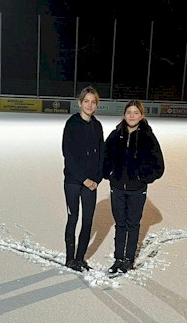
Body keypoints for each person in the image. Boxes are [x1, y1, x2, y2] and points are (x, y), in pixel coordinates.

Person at [103, 99, 165, 274]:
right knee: (120, 224)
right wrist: (109, 174)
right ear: (124, 115)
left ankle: (128, 259)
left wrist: (141, 177)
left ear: (141, 115)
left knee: (133, 224)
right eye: (129, 112)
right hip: (117, 189)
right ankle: (118, 259)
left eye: (135, 113)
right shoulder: (115, 135)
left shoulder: (148, 137)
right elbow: (105, 158)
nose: (132, 116)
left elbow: (159, 166)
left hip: (137, 189)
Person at [61, 86, 105, 271]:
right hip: (73, 181)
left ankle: (80, 258)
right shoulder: (72, 123)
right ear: (80, 103)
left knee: (88, 221)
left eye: (93, 102)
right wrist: (83, 179)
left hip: (91, 184)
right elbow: (68, 154)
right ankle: (70, 259)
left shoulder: (97, 126)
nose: (89, 104)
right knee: (73, 219)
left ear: (96, 105)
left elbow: (101, 155)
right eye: (86, 101)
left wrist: (96, 178)